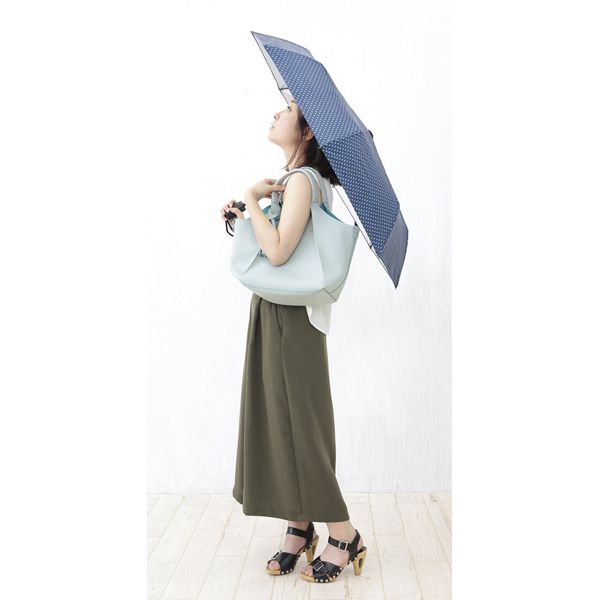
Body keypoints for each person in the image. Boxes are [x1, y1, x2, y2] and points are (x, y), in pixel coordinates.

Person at [218, 99, 367, 583]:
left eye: (287, 110)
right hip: (276, 307)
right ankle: (299, 526)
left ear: (306, 132)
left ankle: (344, 533)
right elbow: (280, 244)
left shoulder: (303, 180)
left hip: (292, 315)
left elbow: (279, 252)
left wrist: (250, 197)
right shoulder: (296, 181)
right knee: (281, 419)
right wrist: (248, 213)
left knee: (301, 425)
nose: (276, 114)